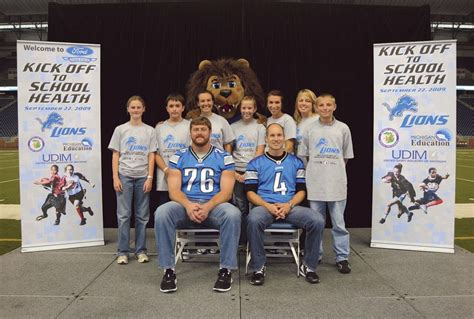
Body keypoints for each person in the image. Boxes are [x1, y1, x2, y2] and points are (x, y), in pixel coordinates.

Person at [154, 116, 241, 293]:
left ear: (210, 132)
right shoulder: (179, 156)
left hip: (214, 206)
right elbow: (174, 191)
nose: (199, 133)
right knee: (162, 212)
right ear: (190, 132)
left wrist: (208, 206)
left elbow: (226, 192)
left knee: (233, 214)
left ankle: (225, 270)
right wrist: (188, 205)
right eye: (196, 129)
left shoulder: (224, 157)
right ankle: (168, 270)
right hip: (185, 206)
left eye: (203, 129)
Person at [245, 123, 325, 285]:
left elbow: (301, 191)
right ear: (266, 138)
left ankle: (309, 266)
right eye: (272, 135)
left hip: (290, 206)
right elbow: (250, 193)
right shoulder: (255, 163)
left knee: (317, 220)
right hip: (265, 207)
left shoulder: (296, 162)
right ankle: (259, 266)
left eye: (279, 135)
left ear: (284, 138)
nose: (276, 139)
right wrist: (269, 206)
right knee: (253, 220)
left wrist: (289, 205)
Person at [299, 93, 354, 274]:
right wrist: (314, 170)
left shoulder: (343, 128)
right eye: (321, 105)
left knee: (339, 223)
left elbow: (345, 156)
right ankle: (316, 254)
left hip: (336, 183)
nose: (324, 108)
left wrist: (333, 169)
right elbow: (303, 154)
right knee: (316, 223)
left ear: (334, 106)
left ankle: (342, 258)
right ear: (316, 108)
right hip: (316, 183)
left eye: (328, 105)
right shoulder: (309, 129)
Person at [108, 95, 157, 265]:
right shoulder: (120, 130)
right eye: (133, 107)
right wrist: (115, 177)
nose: (136, 110)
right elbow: (116, 154)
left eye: (139, 107)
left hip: (142, 176)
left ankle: (141, 250)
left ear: (144, 109)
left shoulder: (150, 131)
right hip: (125, 176)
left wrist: (150, 177)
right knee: (123, 215)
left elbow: (151, 155)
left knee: (142, 216)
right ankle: (123, 251)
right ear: (128, 109)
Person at [230, 96, 266, 242]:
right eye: (244, 108)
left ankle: (254, 240)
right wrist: (234, 173)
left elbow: (260, 151)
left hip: (254, 171)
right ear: (240, 109)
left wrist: (249, 172)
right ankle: (242, 240)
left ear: (255, 109)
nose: (246, 111)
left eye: (249, 108)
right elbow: (229, 151)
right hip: (236, 171)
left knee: (255, 206)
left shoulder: (260, 127)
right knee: (240, 207)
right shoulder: (233, 127)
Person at [155, 93, 190, 204]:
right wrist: (166, 170)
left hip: (184, 175)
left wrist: (180, 171)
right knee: (164, 209)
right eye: (171, 106)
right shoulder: (159, 128)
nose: (174, 109)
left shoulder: (190, 126)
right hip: (164, 176)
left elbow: (192, 151)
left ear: (183, 108)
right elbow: (155, 153)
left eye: (177, 105)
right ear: (167, 108)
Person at [293, 89, 319, 165]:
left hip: (314, 167)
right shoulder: (297, 123)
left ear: (313, 104)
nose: (303, 103)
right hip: (301, 167)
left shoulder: (318, 119)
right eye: (301, 101)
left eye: (307, 101)